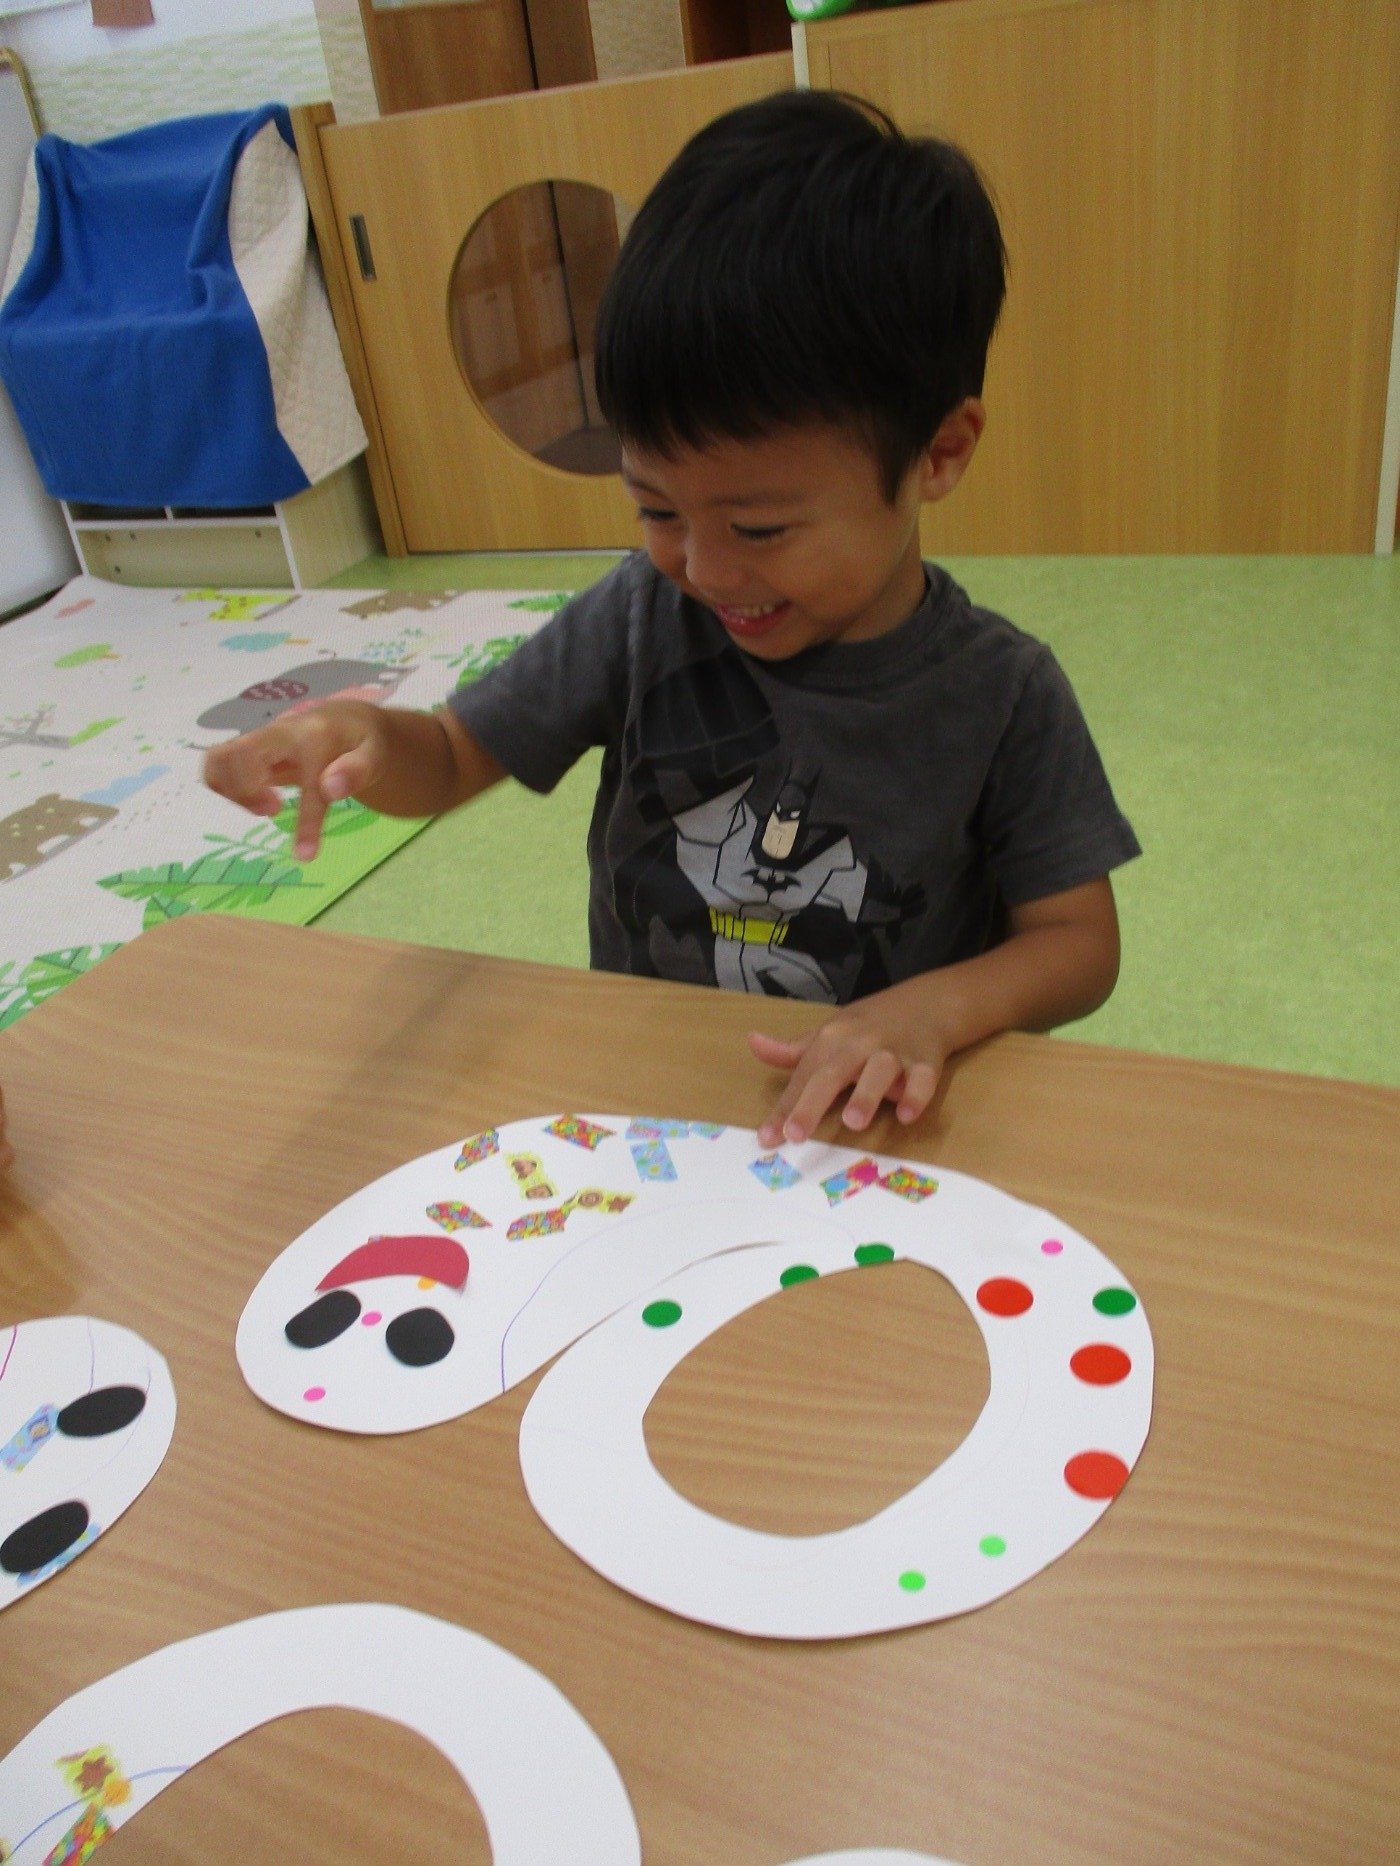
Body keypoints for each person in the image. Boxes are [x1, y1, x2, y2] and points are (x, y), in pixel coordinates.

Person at [204, 91, 1139, 1150]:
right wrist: (366, 739)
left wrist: (933, 1011)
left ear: (940, 452)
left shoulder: (1002, 694)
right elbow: (456, 755)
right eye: (655, 509)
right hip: (647, 1098)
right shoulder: (644, 615)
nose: (702, 567)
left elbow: (1076, 944)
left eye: (759, 526)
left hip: (871, 1130)